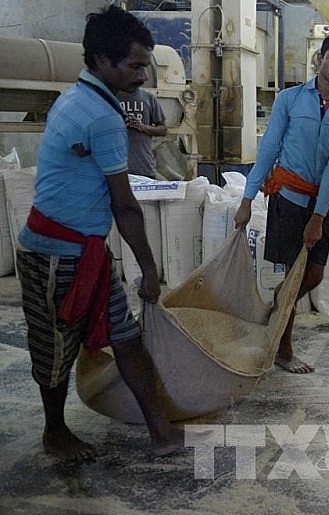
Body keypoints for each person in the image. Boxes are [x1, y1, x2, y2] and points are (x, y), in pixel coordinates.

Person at [15, 5, 184, 460]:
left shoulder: (77, 99)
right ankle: (55, 432)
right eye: (133, 66)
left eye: (145, 65)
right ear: (102, 61)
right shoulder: (103, 118)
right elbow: (125, 207)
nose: (142, 76)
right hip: (55, 254)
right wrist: (150, 268)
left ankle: (161, 431)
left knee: (125, 335)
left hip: (82, 250)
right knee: (54, 349)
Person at [234, 33, 329, 374]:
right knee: (293, 276)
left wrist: (319, 216)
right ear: (320, 58)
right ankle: (284, 349)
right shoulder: (289, 100)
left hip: (318, 202)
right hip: (286, 198)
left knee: (314, 274)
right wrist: (248, 199)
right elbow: (268, 149)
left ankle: (274, 310)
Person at [117, 86, 167, 178]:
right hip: (114, 170)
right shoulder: (108, 98)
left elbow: (163, 129)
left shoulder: (148, 98)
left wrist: (142, 126)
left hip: (143, 168)